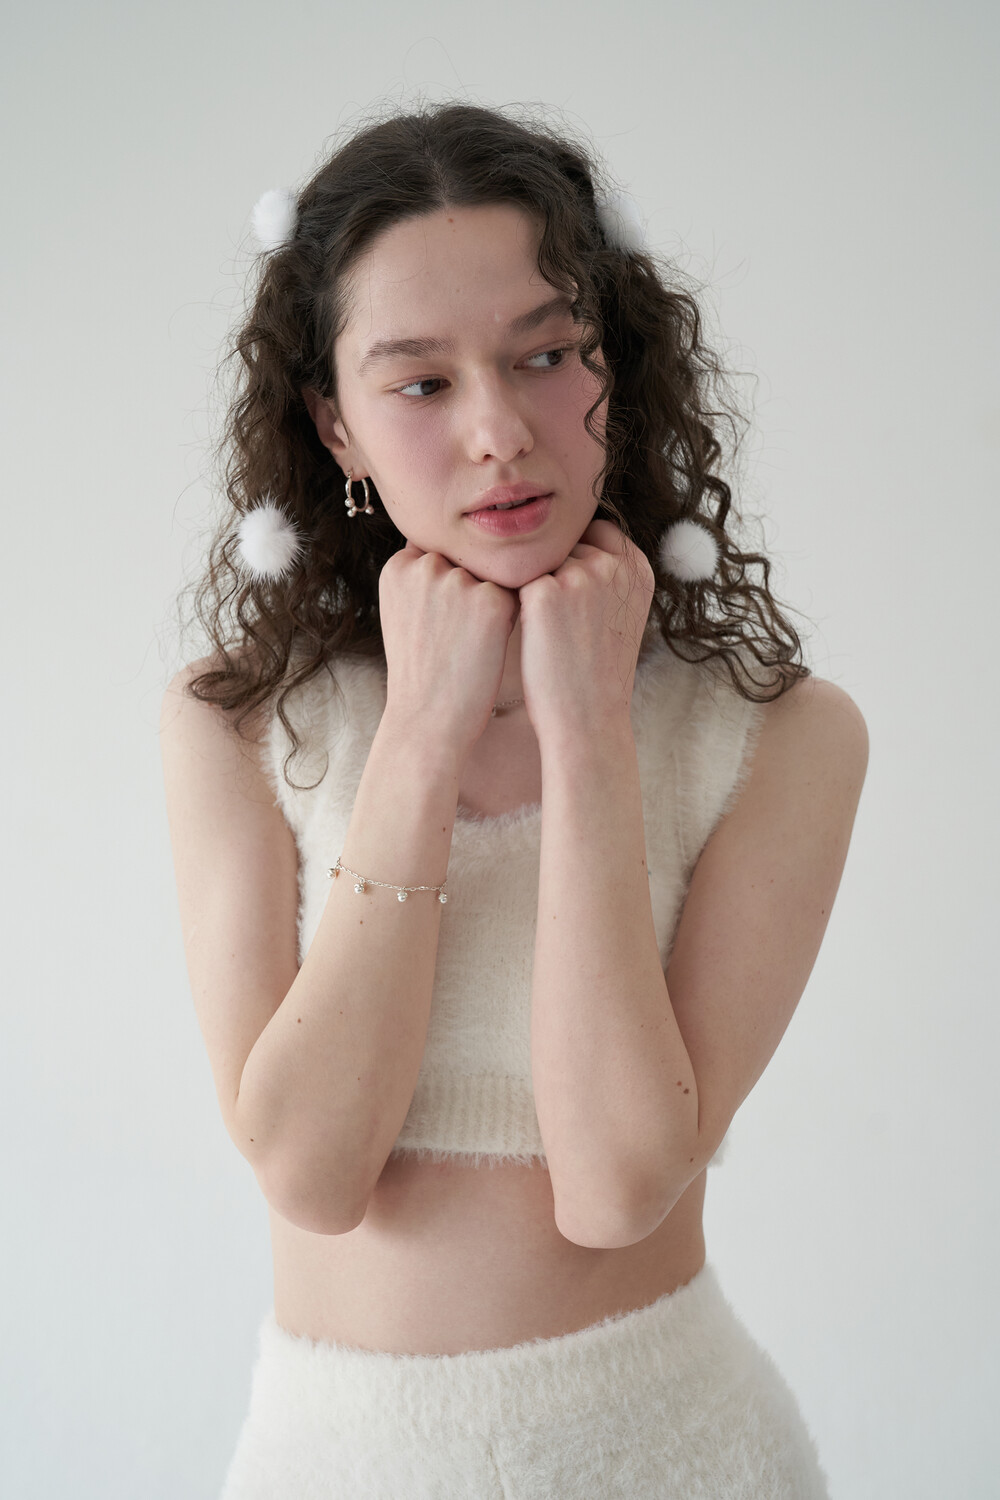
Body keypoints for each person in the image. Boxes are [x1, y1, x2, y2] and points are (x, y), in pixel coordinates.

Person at [160, 100, 868, 1498]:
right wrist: (422, 733)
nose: (499, 431)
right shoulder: (241, 721)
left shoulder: (777, 737)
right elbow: (309, 1172)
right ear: (336, 426)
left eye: (547, 355)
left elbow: (616, 1186)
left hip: (674, 1459)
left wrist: (589, 733)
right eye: (421, 384)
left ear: (619, 365)